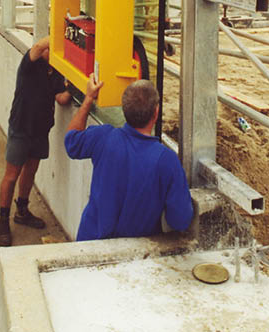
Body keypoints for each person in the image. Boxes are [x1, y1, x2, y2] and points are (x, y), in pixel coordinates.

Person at [64, 75, 193, 240]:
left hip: (89, 244)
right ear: (156, 112)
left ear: (124, 110)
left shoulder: (103, 137)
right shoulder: (166, 160)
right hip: (133, 252)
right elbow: (180, 220)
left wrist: (89, 98)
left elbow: (71, 142)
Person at [0, 36, 71, 246]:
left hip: (40, 130)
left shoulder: (56, 72)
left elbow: (61, 98)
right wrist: (62, 33)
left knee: (30, 171)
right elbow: (38, 45)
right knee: (12, 175)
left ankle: (22, 211)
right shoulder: (29, 64)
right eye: (52, 48)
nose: (53, 52)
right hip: (21, 127)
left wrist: (80, 90)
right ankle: (3, 220)